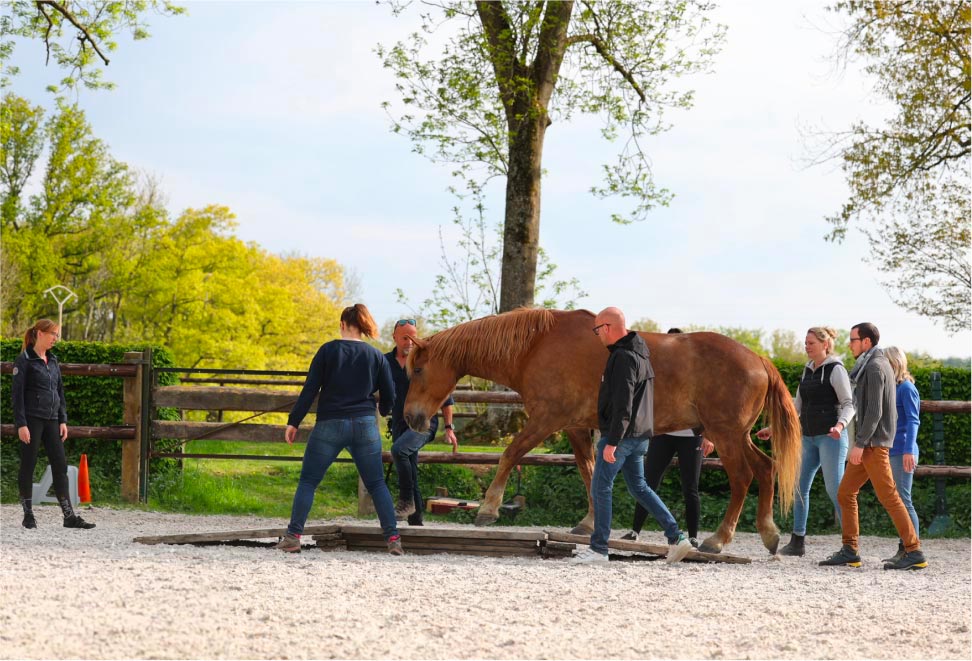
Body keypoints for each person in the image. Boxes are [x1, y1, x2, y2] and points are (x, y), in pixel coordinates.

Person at [276, 304, 402, 555]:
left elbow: (310, 389)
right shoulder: (376, 356)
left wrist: (294, 421)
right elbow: (390, 394)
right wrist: (385, 410)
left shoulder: (327, 351)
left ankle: (293, 537)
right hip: (365, 425)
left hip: (330, 424)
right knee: (377, 483)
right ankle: (393, 540)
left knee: (309, 482)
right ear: (363, 325)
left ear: (343, 324)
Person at [572, 307, 693, 565]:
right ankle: (676, 537)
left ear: (607, 327)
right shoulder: (641, 355)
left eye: (597, 330)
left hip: (622, 436)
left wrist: (612, 441)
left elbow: (623, 403)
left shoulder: (622, 357)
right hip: (639, 436)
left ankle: (598, 549)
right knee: (639, 487)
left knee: (601, 487)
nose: (597, 336)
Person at [819, 323, 926, 570]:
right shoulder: (870, 365)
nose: (850, 344)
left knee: (890, 496)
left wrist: (859, 443)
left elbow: (875, 412)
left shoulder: (876, 367)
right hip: (869, 444)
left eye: (853, 339)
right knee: (845, 493)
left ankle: (914, 550)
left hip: (873, 445)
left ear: (866, 342)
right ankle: (850, 550)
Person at [755, 326, 854, 556]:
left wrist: (840, 426)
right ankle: (798, 541)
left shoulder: (836, 369)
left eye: (811, 343)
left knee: (835, 490)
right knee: (799, 488)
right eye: (806, 343)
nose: (806, 346)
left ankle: (850, 543)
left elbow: (849, 404)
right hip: (807, 439)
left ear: (825, 345)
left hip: (831, 439)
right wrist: (774, 428)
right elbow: (796, 409)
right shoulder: (807, 370)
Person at [621, 328, 714, 548]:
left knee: (690, 487)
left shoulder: (695, 371)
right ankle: (635, 531)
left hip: (692, 436)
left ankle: (692, 536)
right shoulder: (657, 370)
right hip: (662, 435)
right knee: (647, 483)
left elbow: (709, 404)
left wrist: (709, 436)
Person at [12, 319, 95, 530]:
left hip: (52, 421)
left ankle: (69, 516)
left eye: (57, 335)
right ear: (40, 333)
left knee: (60, 466)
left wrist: (63, 419)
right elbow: (17, 395)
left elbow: (59, 392)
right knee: (28, 465)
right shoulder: (24, 360)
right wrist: (21, 424)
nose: (56, 339)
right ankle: (28, 514)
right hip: (32, 420)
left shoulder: (53, 360)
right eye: (53, 334)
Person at [385, 319, 458, 524]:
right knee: (409, 467)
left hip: (425, 422)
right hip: (399, 424)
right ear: (395, 338)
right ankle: (416, 522)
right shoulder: (384, 362)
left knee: (399, 451)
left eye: (414, 337)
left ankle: (406, 501)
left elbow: (446, 397)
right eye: (405, 337)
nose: (410, 342)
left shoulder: (427, 362)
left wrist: (449, 428)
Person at [882, 346, 921, 564]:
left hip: (902, 451)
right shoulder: (893, 388)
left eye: (886, 362)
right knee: (898, 500)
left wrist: (908, 450)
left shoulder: (906, 388)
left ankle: (912, 549)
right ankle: (904, 546)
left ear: (895, 363)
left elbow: (914, 420)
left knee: (904, 500)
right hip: (891, 450)